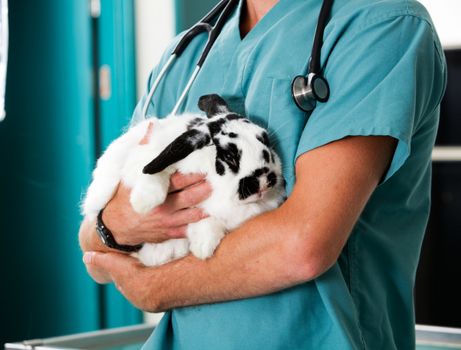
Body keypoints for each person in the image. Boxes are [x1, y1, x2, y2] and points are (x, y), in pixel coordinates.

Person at [78, 0, 447, 348]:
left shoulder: (380, 26)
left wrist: (153, 286)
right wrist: (117, 223)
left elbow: (302, 244)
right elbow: (92, 248)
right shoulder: (188, 53)